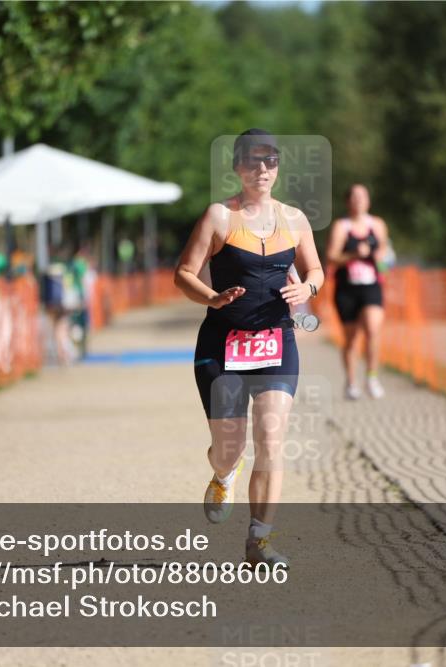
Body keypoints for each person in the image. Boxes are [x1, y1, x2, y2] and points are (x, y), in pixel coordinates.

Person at [174, 129, 324, 568]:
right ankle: (224, 472)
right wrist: (212, 297)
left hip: (277, 342)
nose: (262, 168)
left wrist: (308, 288)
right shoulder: (219, 217)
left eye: (270, 160)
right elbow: (184, 273)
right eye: (253, 160)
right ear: (238, 167)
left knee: (272, 440)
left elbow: (315, 269)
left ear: (278, 167)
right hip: (222, 345)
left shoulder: (295, 219)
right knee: (230, 447)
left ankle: (259, 541)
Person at [326, 184, 390, 400]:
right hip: (347, 289)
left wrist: (381, 256)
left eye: (362, 196)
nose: (359, 200)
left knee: (373, 329)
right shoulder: (341, 226)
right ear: (348, 201)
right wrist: (354, 254)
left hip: (372, 285)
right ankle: (351, 382)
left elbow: (384, 249)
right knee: (351, 339)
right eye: (354, 196)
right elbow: (332, 257)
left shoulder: (377, 224)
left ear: (368, 200)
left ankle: (372, 377)